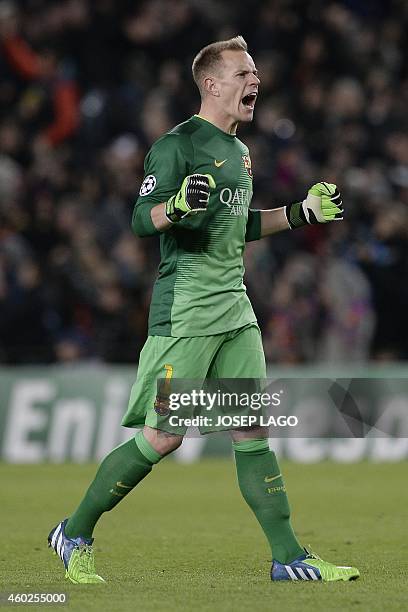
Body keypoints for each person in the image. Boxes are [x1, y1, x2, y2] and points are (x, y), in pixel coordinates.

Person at [48, 36, 359, 584]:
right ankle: (74, 532)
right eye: (243, 73)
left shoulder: (239, 151)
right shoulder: (177, 146)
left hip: (235, 311)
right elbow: (141, 219)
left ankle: (288, 558)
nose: (254, 80)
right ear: (211, 84)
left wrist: (301, 212)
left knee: (250, 430)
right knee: (165, 436)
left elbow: (238, 228)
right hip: (186, 311)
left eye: (255, 72)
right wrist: (176, 205)